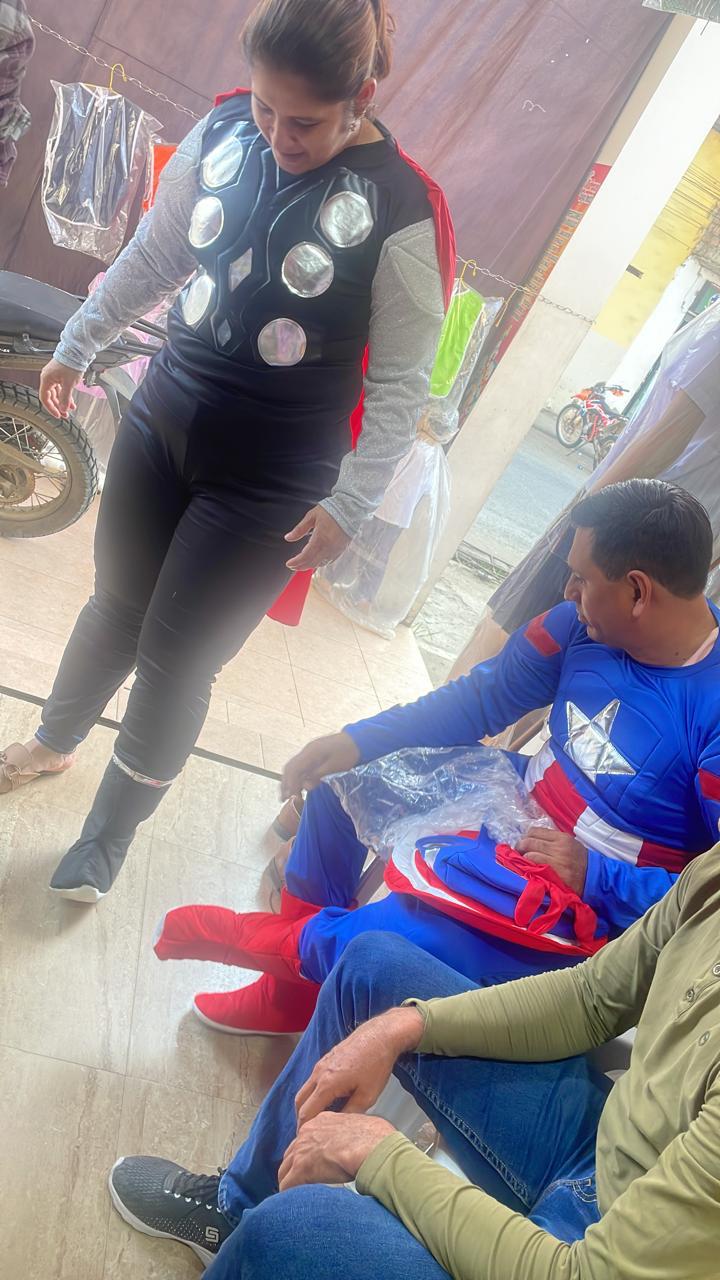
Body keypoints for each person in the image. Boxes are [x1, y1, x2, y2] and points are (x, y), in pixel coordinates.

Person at [0, 0, 456, 902]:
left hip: (275, 476)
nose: (279, 135)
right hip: (163, 418)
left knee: (178, 656)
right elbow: (156, 254)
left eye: (305, 121)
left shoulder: (402, 209)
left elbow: (404, 386)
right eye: (264, 106)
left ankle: (107, 837)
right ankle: (53, 742)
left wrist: (351, 504)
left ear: (361, 99)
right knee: (114, 606)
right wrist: (79, 341)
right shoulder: (222, 133)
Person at [154, 480, 720, 1033]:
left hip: (585, 896)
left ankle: (274, 947)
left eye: (582, 578)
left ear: (638, 592)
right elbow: (480, 699)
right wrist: (356, 741)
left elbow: (711, 903)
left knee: (385, 940)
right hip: (516, 801)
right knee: (343, 783)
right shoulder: (579, 626)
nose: (568, 591)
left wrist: (597, 876)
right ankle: (292, 995)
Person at [110, 840, 720, 1279]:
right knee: (373, 966)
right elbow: (591, 997)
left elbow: (585, 1271)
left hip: (607, 1248)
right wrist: (408, 1023)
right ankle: (232, 1212)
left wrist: (380, 1155)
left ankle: (256, 1240)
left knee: (292, 1231)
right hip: (604, 1140)